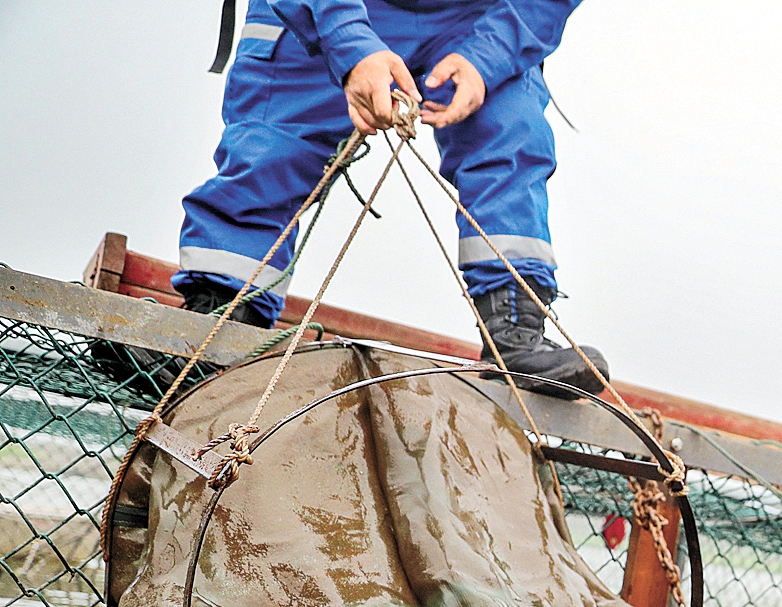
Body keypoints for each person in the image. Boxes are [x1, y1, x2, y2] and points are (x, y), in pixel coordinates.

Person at [170, 0, 604, 394]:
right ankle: (220, 321)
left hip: (478, 18)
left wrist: (487, 59)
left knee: (509, 135)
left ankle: (515, 332)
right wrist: (348, 43)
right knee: (271, 147)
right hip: (325, 8)